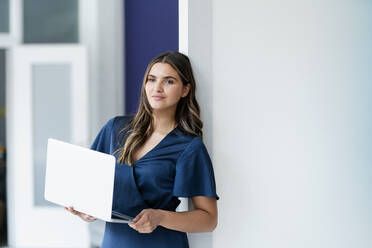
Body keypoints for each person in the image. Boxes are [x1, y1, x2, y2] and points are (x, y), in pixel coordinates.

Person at [65, 51, 219, 247]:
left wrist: (159, 217)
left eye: (169, 81)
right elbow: (92, 189)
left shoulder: (188, 147)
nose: (157, 88)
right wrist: (87, 212)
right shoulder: (115, 129)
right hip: (115, 241)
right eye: (152, 79)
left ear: (185, 90)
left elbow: (209, 219)